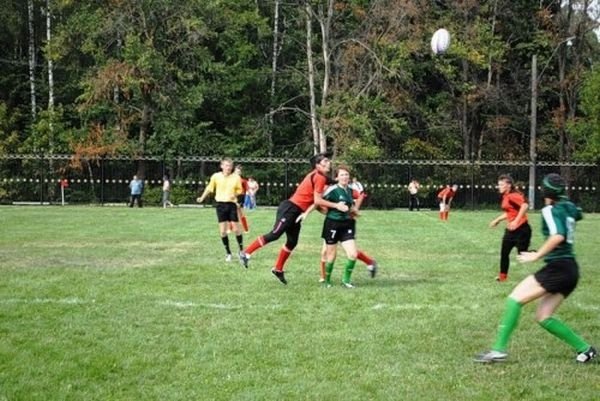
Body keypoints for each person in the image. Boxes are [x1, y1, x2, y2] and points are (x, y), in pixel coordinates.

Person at [474, 173, 597, 364]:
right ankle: (586, 349)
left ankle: (498, 350)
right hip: (570, 270)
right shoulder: (568, 206)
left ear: (544, 191)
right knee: (543, 317)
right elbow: (577, 214)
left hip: (557, 268)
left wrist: (536, 255)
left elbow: (558, 236)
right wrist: (565, 203)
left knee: (514, 299)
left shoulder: (550, 209)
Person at [238, 152, 349, 285]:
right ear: (317, 165)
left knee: (292, 242)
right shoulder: (319, 177)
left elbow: (323, 191)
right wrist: (336, 205)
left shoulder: (320, 176)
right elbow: (317, 200)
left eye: (327, 161)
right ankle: (246, 253)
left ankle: (278, 269)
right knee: (275, 234)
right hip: (290, 209)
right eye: (325, 162)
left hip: (297, 212)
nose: (328, 163)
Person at [318, 175, 378, 282]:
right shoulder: (325, 188)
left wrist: (355, 209)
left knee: (348, 251)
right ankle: (324, 278)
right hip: (332, 222)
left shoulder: (344, 189)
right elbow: (317, 203)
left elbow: (361, 194)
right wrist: (325, 211)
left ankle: (325, 279)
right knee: (325, 252)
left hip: (345, 222)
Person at [196, 158, 244, 262]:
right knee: (222, 231)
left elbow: (240, 190)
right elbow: (209, 188)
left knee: (236, 229)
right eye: (226, 165)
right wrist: (202, 198)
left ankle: (241, 251)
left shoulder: (236, 178)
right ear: (221, 166)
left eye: (230, 166)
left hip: (231, 205)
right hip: (220, 205)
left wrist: (234, 195)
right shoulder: (216, 176)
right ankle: (228, 253)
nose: (228, 168)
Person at [320, 165, 360, 288]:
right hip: (332, 224)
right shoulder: (332, 190)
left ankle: (346, 281)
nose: (345, 177)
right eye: (342, 175)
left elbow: (350, 205)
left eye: (346, 174)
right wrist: (333, 207)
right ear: (337, 177)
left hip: (347, 224)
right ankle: (327, 281)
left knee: (353, 254)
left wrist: (354, 211)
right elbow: (318, 202)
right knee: (331, 256)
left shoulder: (349, 190)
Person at [489, 175, 531, 282]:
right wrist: (497, 220)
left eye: (501, 184)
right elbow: (510, 212)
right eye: (498, 184)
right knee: (504, 253)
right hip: (511, 230)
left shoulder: (513, 195)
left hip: (522, 229)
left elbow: (525, 205)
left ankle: (542, 253)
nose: (499, 186)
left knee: (522, 255)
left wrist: (516, 221)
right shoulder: (506, 196)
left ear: (509, 185)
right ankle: (502, 277)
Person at [233, 165, 250, 233]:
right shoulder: (231, 179)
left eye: (239, 171)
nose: (238, 172)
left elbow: (247, 189)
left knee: (241, 213)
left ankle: (246, 229)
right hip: (232, 196)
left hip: (240, 197)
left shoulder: (243, 181)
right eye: (237, 171)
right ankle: (231, 228)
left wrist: (249, 194)